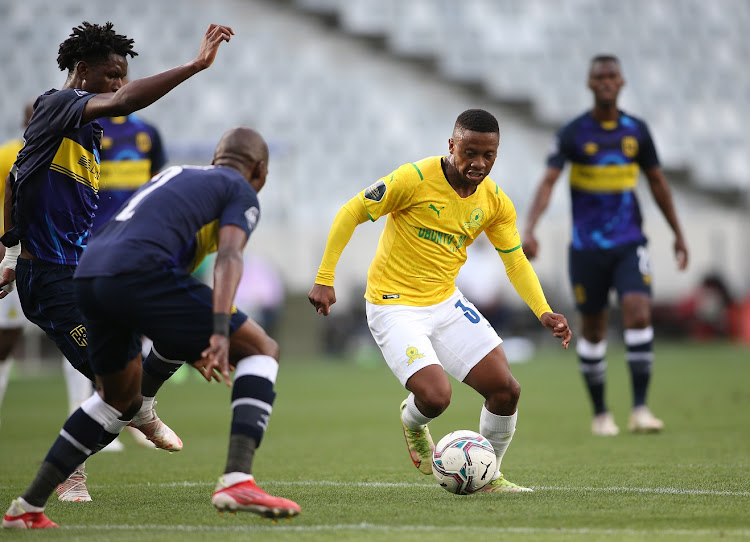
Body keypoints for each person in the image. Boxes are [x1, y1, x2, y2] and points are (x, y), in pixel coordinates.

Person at [2, 126, 301, 529]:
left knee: (117, 398)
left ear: (215, 159)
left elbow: (172, 310)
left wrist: (196, 338)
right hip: (136, 271)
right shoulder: (238, 188)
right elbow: (230, 256)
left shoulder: (174, 177)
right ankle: (237, 479)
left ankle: (28, 507)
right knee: (262, 348)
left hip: (89, 273)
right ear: (260, 171)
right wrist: (216, 331)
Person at [0, 21, 234, 503]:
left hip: (80, 270)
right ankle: (75, 469)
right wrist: (194, 65)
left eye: (123, 77)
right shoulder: (58, 104)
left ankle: (139, 406)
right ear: (81, 70)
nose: (119, 87)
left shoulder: (84, 132)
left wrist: (8, 249)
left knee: (137, 354)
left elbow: (15, 181)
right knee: (113, 384)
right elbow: (126, 103)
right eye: (112, 76)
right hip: (51, 278)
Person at [308, 109, 572, 493]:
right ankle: (413, 422)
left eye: (489, 155)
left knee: (506, 391)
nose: (479, 163)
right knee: (435, 396)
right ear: (451, 146)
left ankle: (488, 476)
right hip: (393, 304)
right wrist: (324, 277)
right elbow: (351, 211)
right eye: (470, 152)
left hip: (445, 302)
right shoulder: (412, 179)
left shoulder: (495, 201)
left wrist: (544, 311)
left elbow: (515, 260)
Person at [522, 55, 689, 436]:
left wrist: (678, 232)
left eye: (612, 75)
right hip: (586, 248)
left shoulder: (637, 132)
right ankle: (600, 414)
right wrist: (530, 227)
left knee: (638, 311)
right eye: (599, 76)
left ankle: (641, 409)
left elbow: (658, 183)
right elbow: (548, 182)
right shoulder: (573, 133)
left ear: (622, 81)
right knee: (594, 330)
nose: (606, 82)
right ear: (590, 84)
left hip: (630, 242)